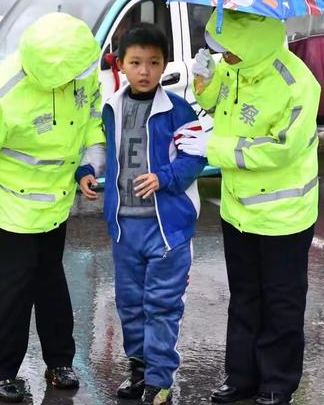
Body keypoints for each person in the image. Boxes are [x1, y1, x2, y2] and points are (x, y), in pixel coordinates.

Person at [0, 12, 105, 403]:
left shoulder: (80, 73)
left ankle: (59, 362)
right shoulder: (0, 94)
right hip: (13, 206)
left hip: (57, 203)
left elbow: (91, 118)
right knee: (13, 293)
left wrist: (89, 162)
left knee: (51, 283)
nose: (73, 81)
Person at [175, 9, 320, 405]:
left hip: (282, 216)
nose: (226, 58)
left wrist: (214, 149)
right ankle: (240, 377)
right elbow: (214, 98)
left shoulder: (298, 84)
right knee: (243, 298)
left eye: (230, 52)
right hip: (238, 210)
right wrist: (202, 72)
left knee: (281, 301)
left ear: (251, 44)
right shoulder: (235, 66)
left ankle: (276, 382)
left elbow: (282, 147)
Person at [76, 23, 207, 405]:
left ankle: (160, 379)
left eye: (153, 62)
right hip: (125, 227)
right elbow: (101, 149)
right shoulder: (112, 108)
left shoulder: (179, 109)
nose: (145, 70)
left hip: (167, 229)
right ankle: (138, 370)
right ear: (121, 65)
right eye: (136, 62)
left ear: (164, 65)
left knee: (162, 305)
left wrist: (164, 178)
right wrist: (87, 171)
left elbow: (194, 158)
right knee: (129, 304)